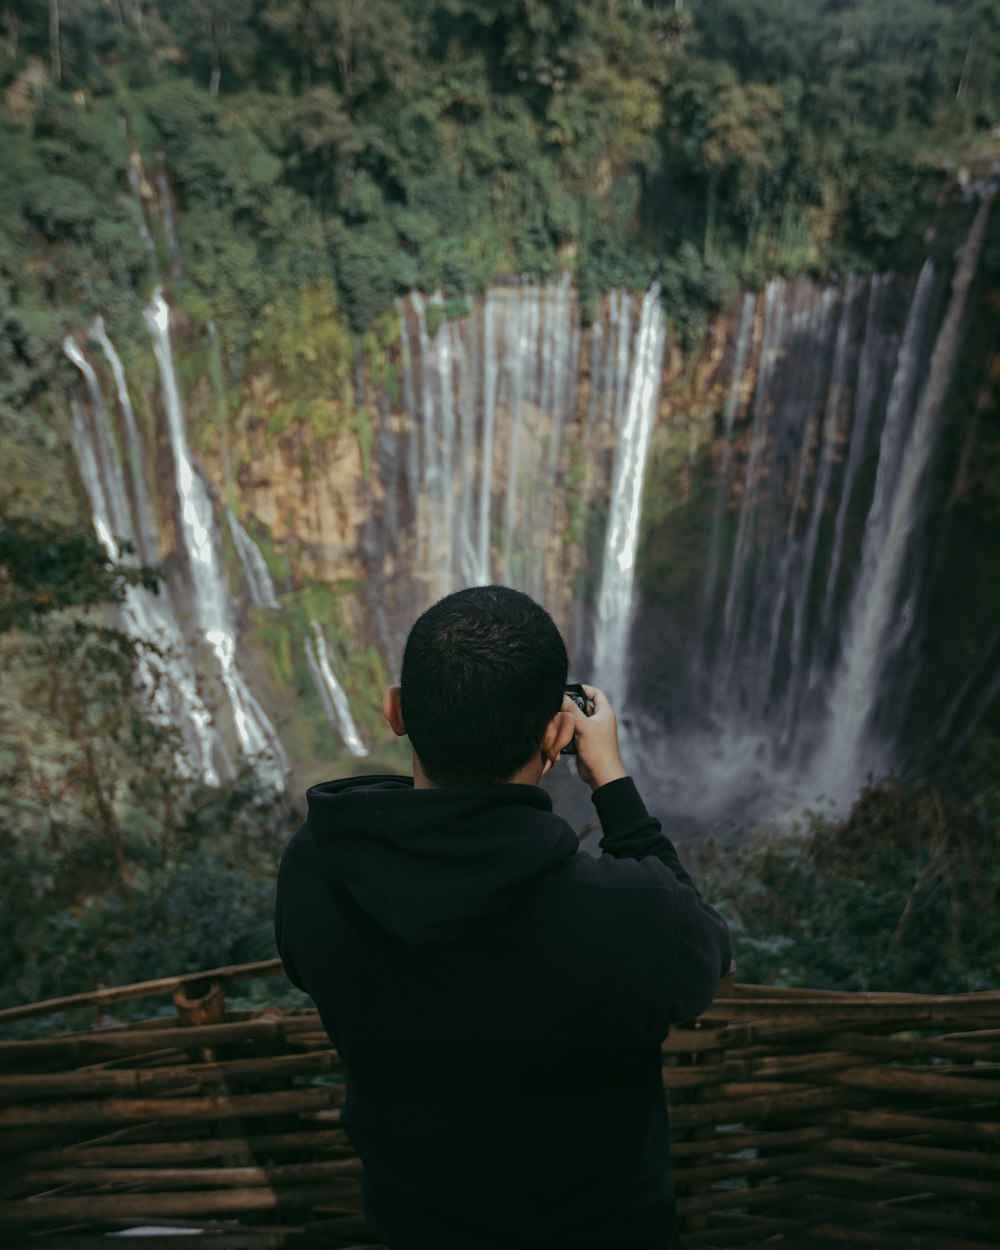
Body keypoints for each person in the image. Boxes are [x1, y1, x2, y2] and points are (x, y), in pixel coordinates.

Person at [275, 585, 732, 1250]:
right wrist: (610, 781)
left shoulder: (316, 872)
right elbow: (708, 961)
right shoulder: (633, 914)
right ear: (557, 733)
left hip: (413, 1228)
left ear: (395, 712)